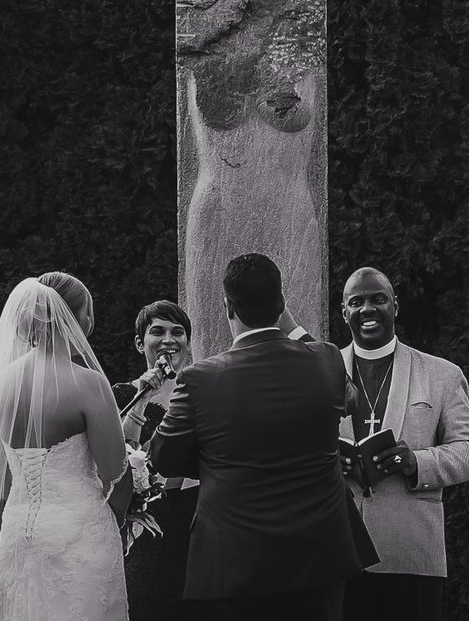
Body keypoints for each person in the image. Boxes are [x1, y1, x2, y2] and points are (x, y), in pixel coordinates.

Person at [148, 252, 377, 621]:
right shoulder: (327, 359)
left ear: (227, 307)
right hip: (320, 555)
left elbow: (164, 458)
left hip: (236, 559)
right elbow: (348, 398)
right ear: (282, 303)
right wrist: (295, 328)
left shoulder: (200, 379)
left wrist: (217, 459)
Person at [0, 271, 131, 618]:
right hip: (80, 533)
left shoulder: (1, 385)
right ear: (77, 317)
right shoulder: (88, 384)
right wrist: (114, 524)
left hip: (19, 533)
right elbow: (118, 478)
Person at [335, 267, 469, 621]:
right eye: (356, 302)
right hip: (338, 553)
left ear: (395, 306)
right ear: (344, 313)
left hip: (412, 552)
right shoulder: (321, 370)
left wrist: (416, 462)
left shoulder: (441, 374)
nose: (367, 309)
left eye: (378, 299)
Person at [115, 299, 209, 621]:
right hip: (147, 528)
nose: (169, 340)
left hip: (198, 522)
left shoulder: (204, 395)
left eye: (178, 332)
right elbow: (117, 459)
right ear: (141, 343)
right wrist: (143, 397)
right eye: (158, 332)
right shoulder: (120, 396)